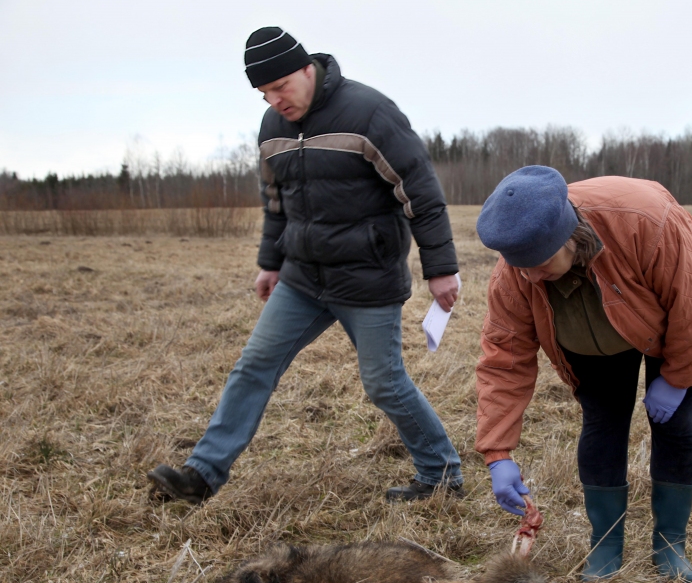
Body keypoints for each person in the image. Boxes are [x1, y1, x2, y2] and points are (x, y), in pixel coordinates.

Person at [147, 27, 463, 503]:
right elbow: (277, 202)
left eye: (280, 87)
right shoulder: (272, 128)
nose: (274, 101)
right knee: (253, 365)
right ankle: (202, 475)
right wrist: (270, 263)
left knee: (383, 382)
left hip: (367, 278)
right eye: (263, 94)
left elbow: (419, 190)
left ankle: (441, 473)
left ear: (305, 69)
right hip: (302, 279)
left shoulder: (369, 113)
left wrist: (440, 268)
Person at [474, 166, 692, 582]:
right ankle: (606, 545)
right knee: (603, 421)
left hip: (678, 309)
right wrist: (498, 453)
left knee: (676, 422)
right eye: (519, 268)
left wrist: (676, 379)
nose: (529, 277)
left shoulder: (644, 223)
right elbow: (503, 361)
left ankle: (670, 546)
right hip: (592, 334)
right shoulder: (516, 272)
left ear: (568, 237)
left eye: (540, 265)